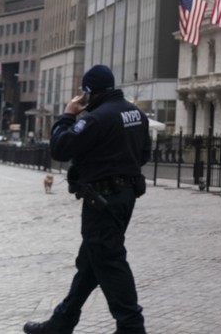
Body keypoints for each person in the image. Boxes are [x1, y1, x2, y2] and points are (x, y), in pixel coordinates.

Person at [24, 64, 151, 334]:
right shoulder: (136, 113)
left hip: (102, 200)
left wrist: (68, 115)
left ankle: (132, 327)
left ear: (88, 92)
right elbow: (144, 154)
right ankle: (62, 321)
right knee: (91, 261)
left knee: (109, 260)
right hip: (125, 196)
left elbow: (59, 148)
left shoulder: (95, 118)